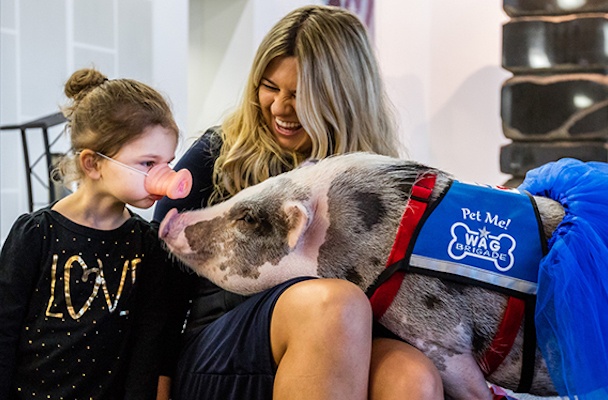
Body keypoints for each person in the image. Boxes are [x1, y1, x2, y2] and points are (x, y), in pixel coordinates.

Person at [154, 5, 443, 400]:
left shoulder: (382, 181)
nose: (278, 108)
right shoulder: (217, 155)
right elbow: (159, 285)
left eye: (299, 94)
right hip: (220, 350)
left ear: (344, 98)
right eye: (270, 87)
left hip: (341, 338)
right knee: (336, 304)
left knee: (413, 376)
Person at [0, 68, 181, 399]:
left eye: (167, 162)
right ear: (93, 164)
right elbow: (4, 333)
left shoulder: (148, 247)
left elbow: (148, 348)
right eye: (147, 163)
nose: (164, 176)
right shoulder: (36, 235)